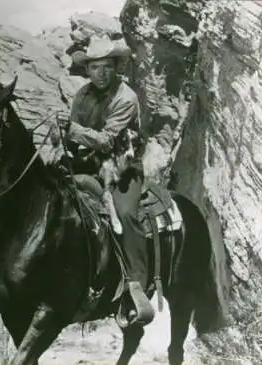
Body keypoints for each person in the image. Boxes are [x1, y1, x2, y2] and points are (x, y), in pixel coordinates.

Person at [53, 33, 155, 327]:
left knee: (125, 214)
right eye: (95, 67)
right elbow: (75, 137)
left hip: (122, 168)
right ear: (87, 70)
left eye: (107, 67)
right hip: (88, 162)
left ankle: (137, 285)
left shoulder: (126, 98)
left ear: (116, 67)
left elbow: (108, 142)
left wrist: (72, 130)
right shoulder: (82, 95)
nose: (101, 73)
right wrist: (63, 143)